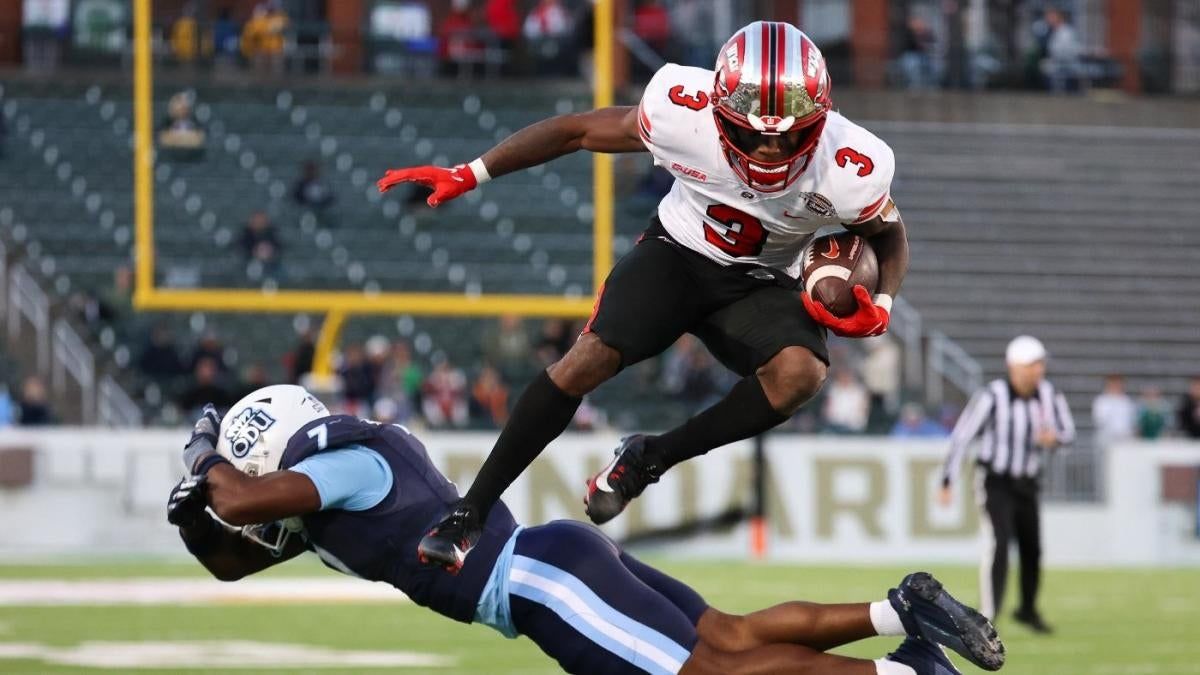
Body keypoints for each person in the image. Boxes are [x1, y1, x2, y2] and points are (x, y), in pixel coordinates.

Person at [378, 21, 908, 572]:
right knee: (586, 361)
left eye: (789, 134)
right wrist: (472, 172)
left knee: (801, 375)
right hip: (677, 255)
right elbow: (577, 131)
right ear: (720, 114)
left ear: (820, 122)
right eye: (753, 134)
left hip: (762, 280)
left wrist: (884, 303)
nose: (770, 148)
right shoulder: (683, 112)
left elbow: (889, 235)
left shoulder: (852, 165)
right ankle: (470, 513)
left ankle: (650, 457)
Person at [167, 387, 1005, 675]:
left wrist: (204, 458)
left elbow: (240, 502)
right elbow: (235, 557)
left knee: (710, 671)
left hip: (537, 582)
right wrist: (194, 514)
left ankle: (908, 672)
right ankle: (899, 613)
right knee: (729, 635)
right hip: (553, 559)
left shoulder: (345, 462)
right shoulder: (329, 491)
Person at [939, 336, 1075, 633]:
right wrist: (947, 479)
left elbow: (1067, 432)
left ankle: (1027, 609)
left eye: (1040, 364)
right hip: (995, 481)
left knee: (1032, 548)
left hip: (1027, 481)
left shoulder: (1050, 395)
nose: (1037, 370)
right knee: (999, 542)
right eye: (1031, 364)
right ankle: (988, 614)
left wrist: (1055, 439)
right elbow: (962, 437)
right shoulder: (992, 396)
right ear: (1014, 367)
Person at [1091, 374, 1136, 446]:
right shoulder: (1101, 400)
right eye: (1113, 384)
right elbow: (1099, 419)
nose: (1116, 386)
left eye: (1118, 384)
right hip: (1107, 439)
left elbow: (1131, 420)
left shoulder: (1127, 401)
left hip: (1125, 439)